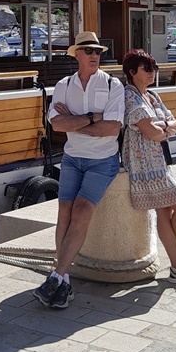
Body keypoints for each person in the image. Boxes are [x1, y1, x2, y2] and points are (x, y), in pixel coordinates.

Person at [33, 31, 124, 309]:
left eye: (98, 51)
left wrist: (74, 121)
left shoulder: (113, 85)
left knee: (82, 211)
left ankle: (56, 275)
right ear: (76, 55)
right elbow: (56, 125)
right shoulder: (63, 85)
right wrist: (91, 118)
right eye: (89, 51)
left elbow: (112, 128)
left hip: (103, 161)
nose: (95, 55)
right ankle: (64, 281)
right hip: (73, 158)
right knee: (64, 214)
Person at [121, 48, 176, 287]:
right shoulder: (130, 96)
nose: (152, 73)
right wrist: (163, 127)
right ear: (132, 72)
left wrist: (164, 125)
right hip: (145, 167)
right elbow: (153, 133)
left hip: (160, 163)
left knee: (166, 212)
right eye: (146, 69)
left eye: (153, 68)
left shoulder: (152, 96)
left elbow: (175, 124)